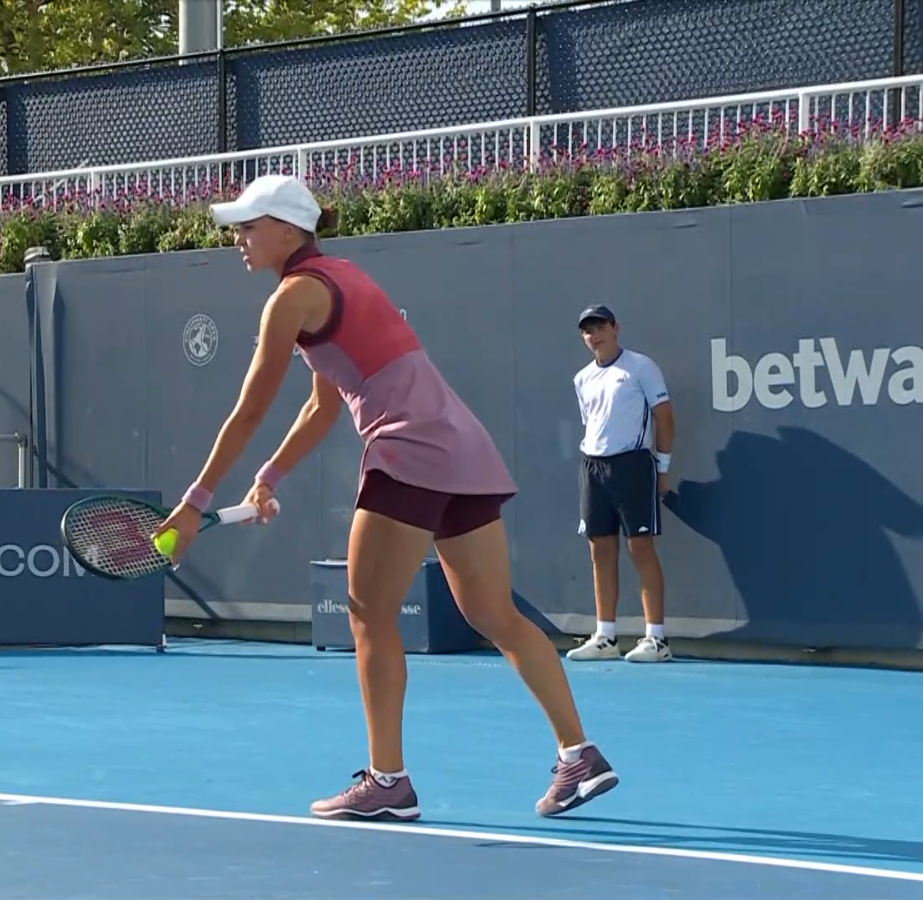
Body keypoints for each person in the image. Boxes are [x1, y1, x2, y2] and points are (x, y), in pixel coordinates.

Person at [151, 174, 618, 822]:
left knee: (368, 614)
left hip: (409, 452)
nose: (238, 238)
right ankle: (578, 753)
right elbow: (322, 405)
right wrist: (270, 476)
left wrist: (195, 502)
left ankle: (387, 782)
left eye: (249, 226)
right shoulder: (342, 278)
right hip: (463, 449)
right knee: (495, 614)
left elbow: (250, 409)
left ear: (287, 230)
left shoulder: (291, 297)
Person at [563, 305, 675, 664]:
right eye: (587, 330)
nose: (594, 335)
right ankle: (606, 636)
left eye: (600, 327)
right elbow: (594, 424)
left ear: (615, 328)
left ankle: (657, 639)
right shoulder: (582, 379)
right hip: (593, 467)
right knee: (600, 550)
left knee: (640, 548)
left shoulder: (641, 367)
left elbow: (664, 418)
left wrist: (662, 469)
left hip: (633, 465)